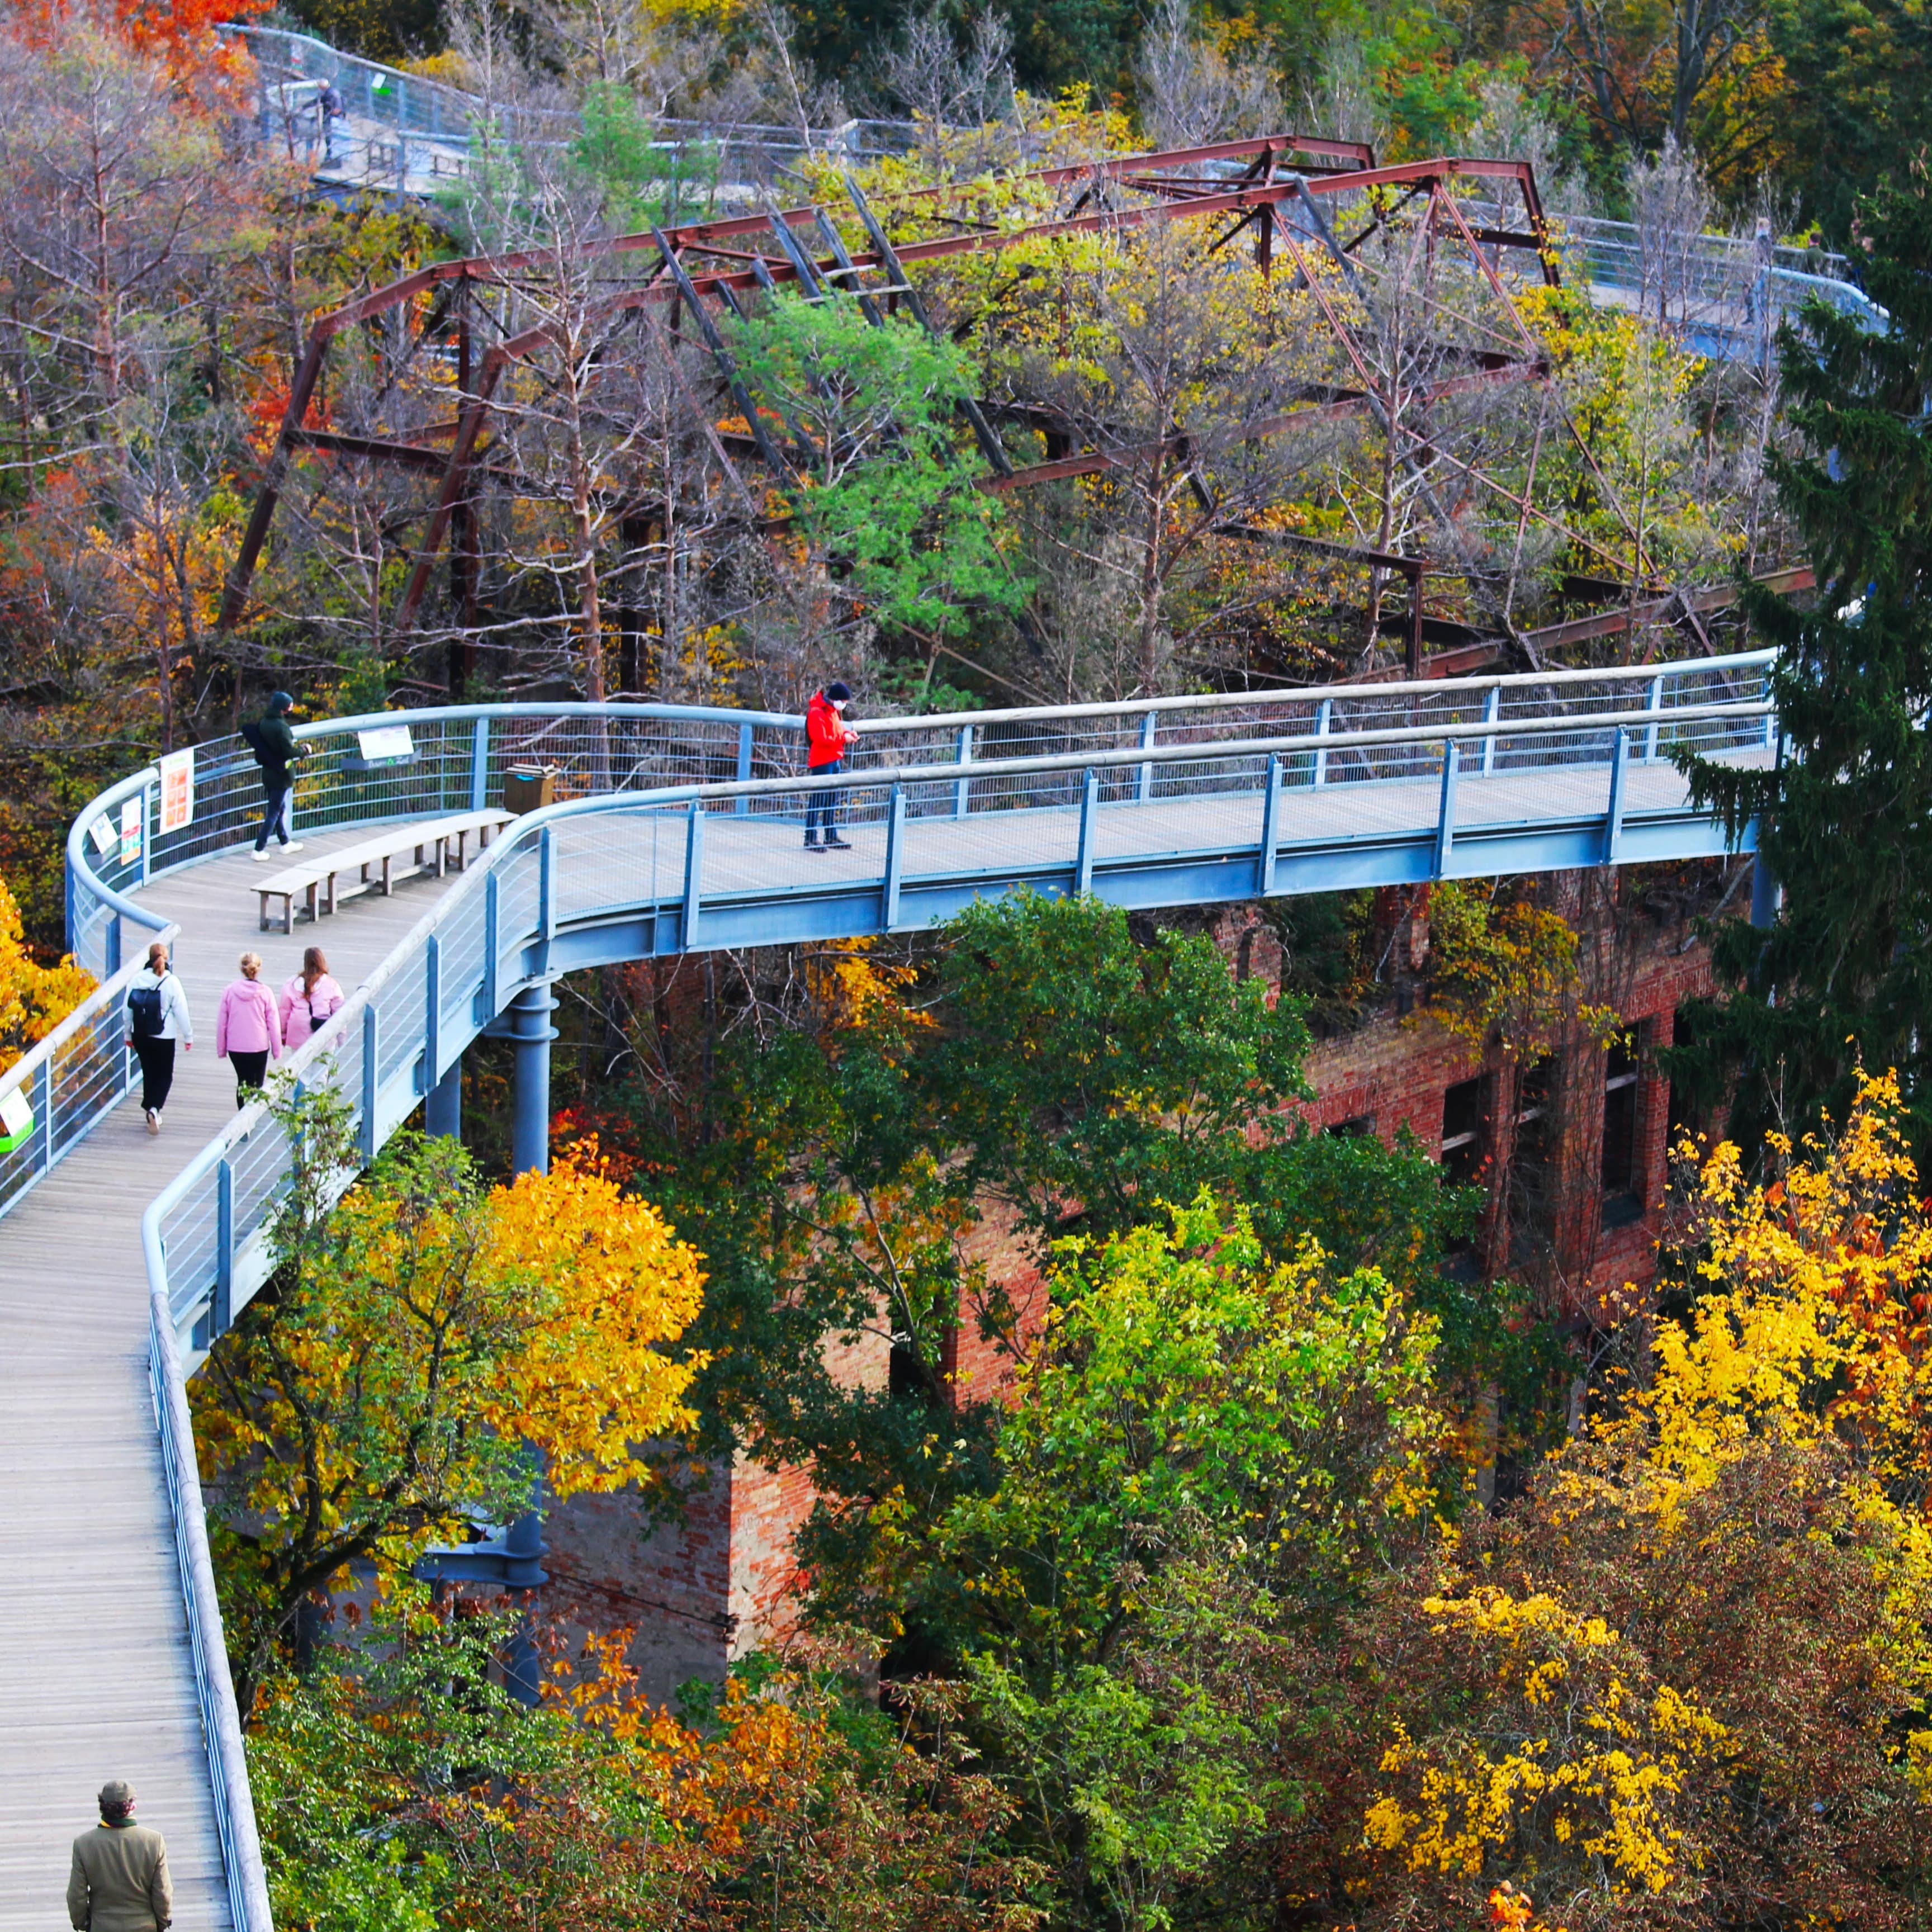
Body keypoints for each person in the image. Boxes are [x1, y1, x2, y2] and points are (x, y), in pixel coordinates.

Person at [68, 1779, 172, 1932]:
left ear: (102, 1806)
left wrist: (83, 1924)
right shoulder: (153, 1841)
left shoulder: (84, 1844)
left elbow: (76, 1895)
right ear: (132, 1806)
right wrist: (162, 1923)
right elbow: (163, 1892)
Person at [125, 941, 192, 1135]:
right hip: (164, 1036)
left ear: (150, 957)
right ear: (166, 958)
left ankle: (149, 1108)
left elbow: (127, 1009)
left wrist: (128, 1034)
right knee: (165, 1075)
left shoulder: (137, 979)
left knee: (149, 1072)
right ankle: (154, 1108)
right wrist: (188, 1036)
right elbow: (181, 1011)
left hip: (141, 1034)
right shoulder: (172, 982)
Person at [215, 951, 282, 1108]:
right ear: (259, 969)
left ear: (241, 968)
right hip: (259, 1047)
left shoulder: (230, 991)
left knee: (242, 1082)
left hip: (236, 1047)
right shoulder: (266, 992)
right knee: (257, 1084)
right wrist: (277, 1050)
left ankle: (242, 1117)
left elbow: (222, 1023)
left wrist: (221, 1049)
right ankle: (252, 1117)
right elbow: (273, 1023)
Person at [245, 690, 305, 863]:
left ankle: (285, 842)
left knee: (278, 808)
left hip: (269, 773)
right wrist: (303, 752)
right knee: (274, 812)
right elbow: (288, 751)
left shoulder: (264, 723)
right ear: (284, 708)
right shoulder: (281, 727)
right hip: (281, 775)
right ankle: (259, 848)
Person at [803, 679, 858, 851]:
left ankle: (830, 835)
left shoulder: (832, 711)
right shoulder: (817, 713)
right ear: (836, 699)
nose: (844, 705)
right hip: (822, 760)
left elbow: (836, 732)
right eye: (844, 701)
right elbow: (821, 739)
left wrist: (848, 734)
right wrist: (844, 738)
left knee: (831, 800)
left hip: (834, 759)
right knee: (818, 799)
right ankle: (810, 838)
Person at [279, 945, 345, 1049]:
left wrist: (283, 1035)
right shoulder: (331, 985)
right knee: (323, 1064)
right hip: (323, 1033)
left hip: (298, 1035)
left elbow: (284, 1012)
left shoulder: (292, 984)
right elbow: (340, 1013)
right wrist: (341, 1039)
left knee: (299, 1064)